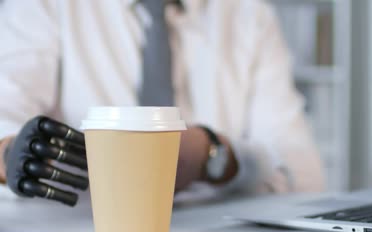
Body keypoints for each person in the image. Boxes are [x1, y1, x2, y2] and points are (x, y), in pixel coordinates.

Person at [0, 0, 323, 204]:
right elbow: (5, 119)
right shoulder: (44, 6)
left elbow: (303, 175)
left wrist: (215, 156)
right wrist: (11, 153)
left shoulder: (249, 15)